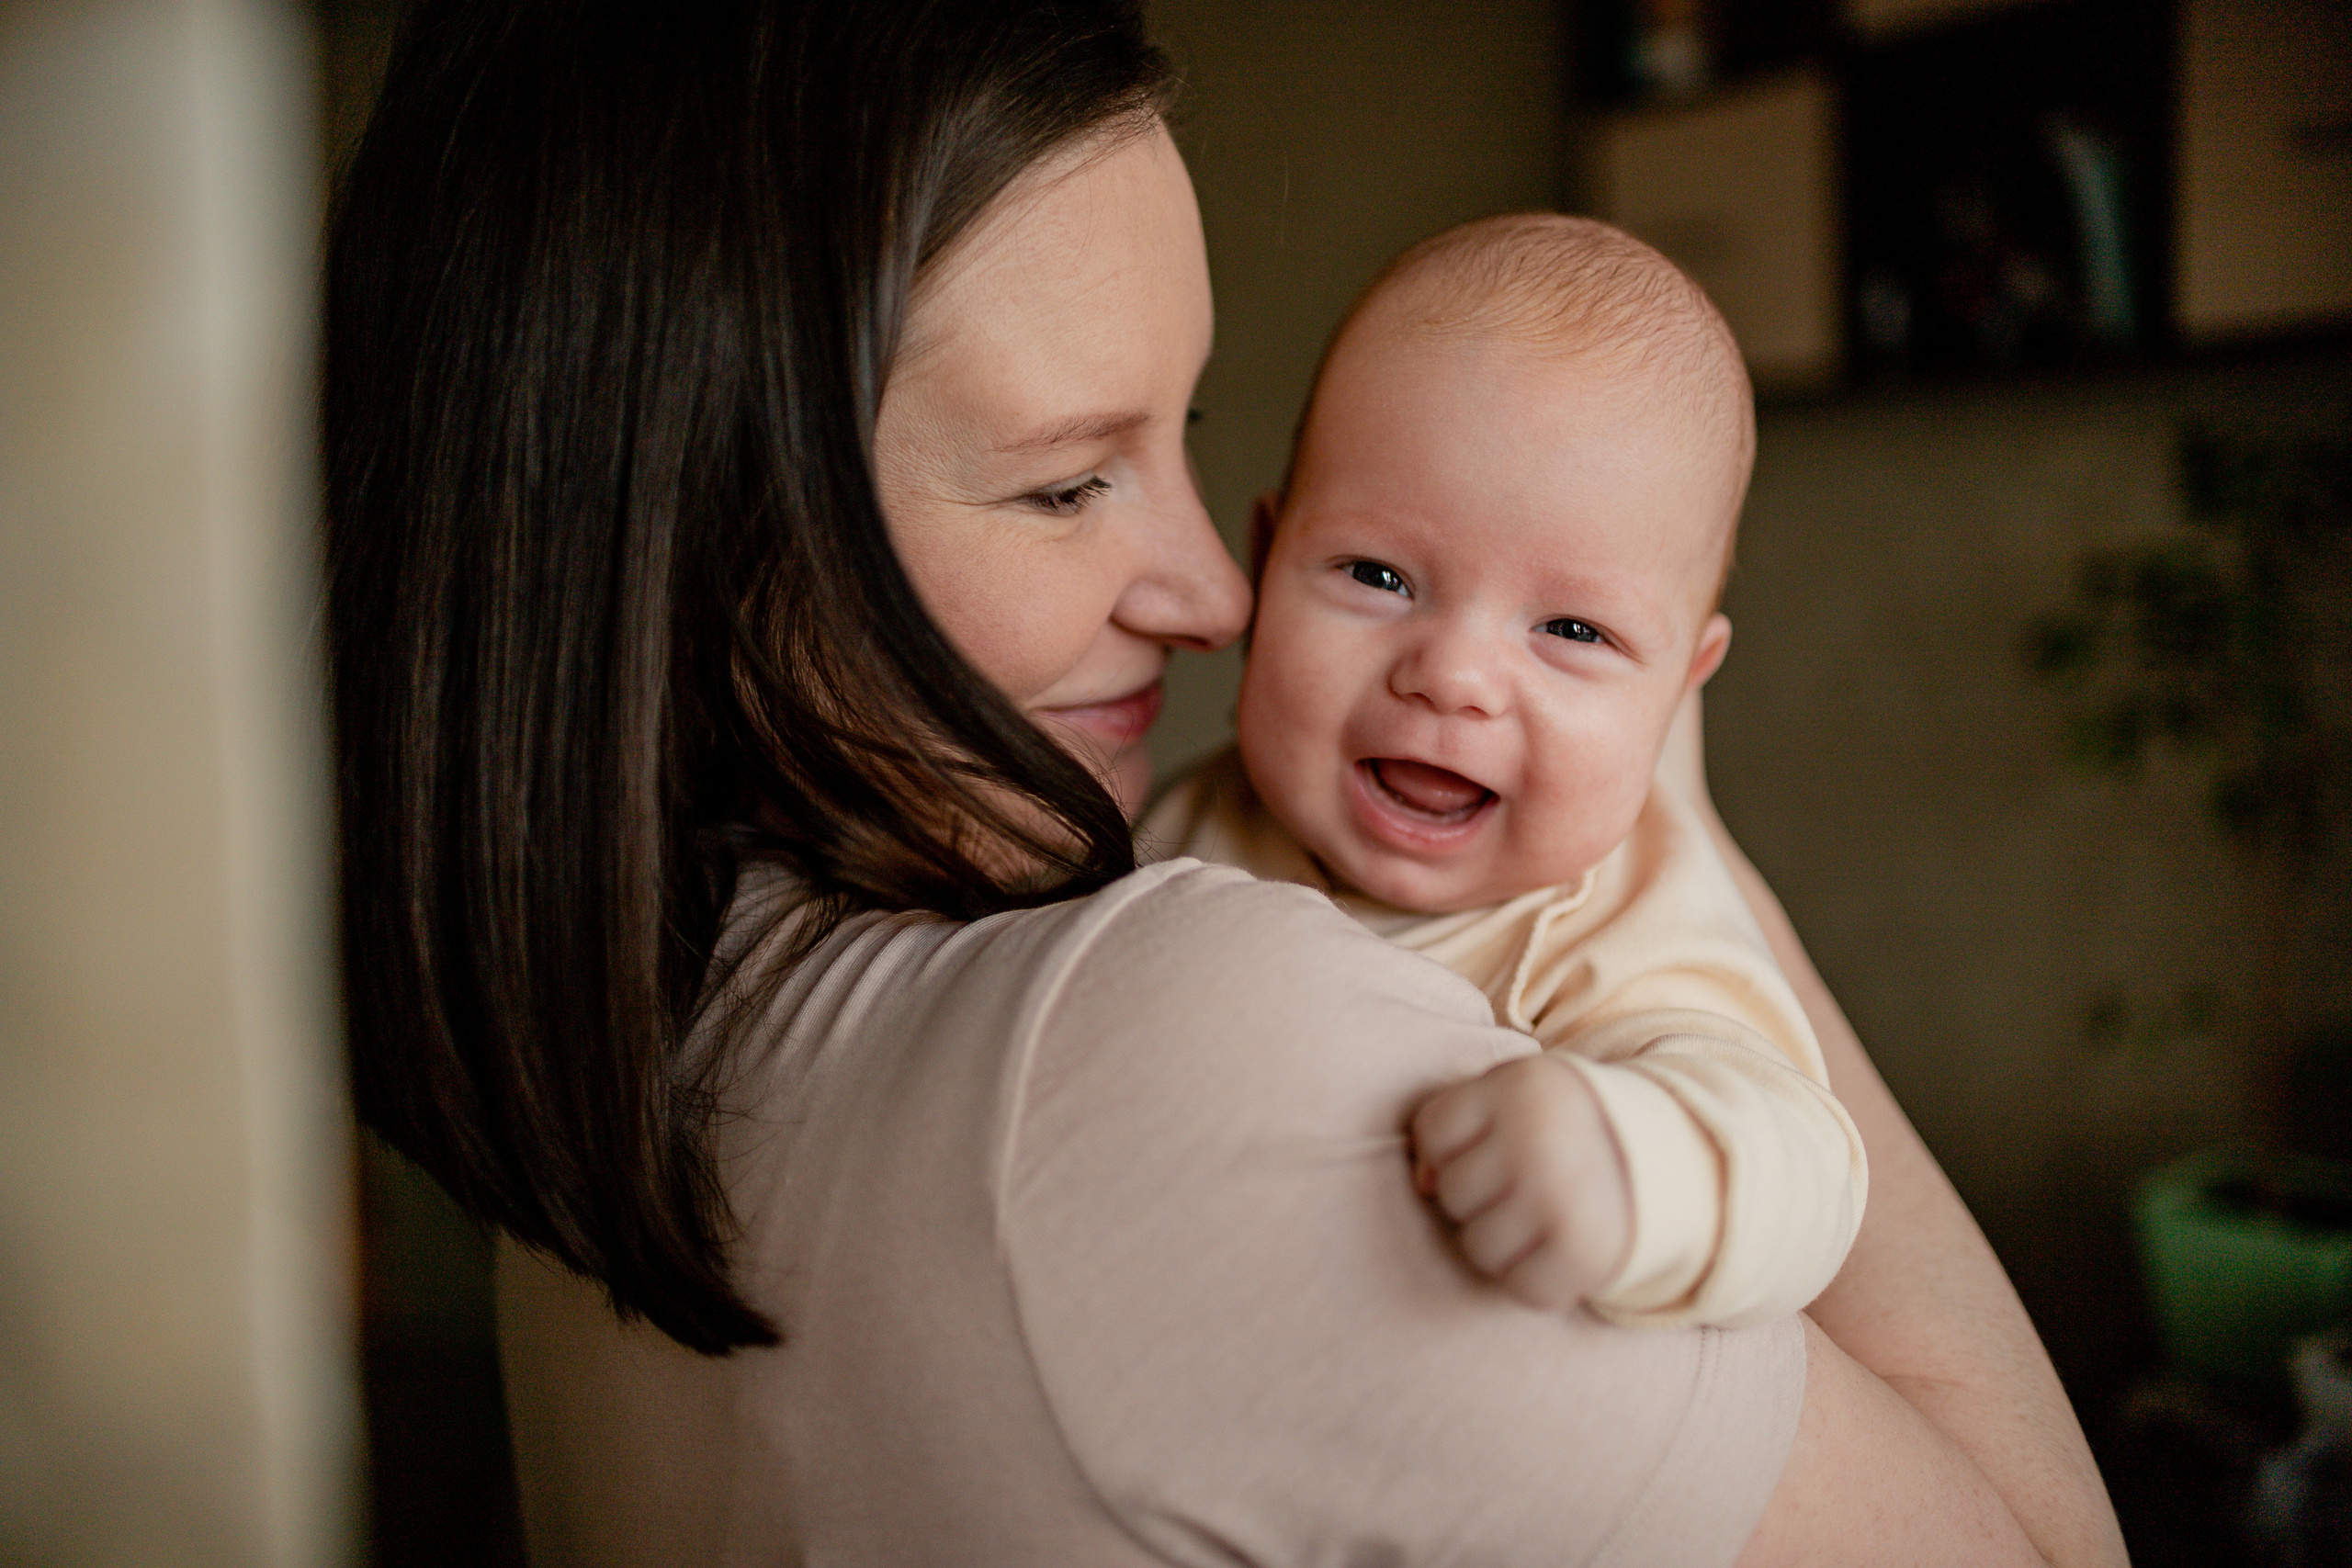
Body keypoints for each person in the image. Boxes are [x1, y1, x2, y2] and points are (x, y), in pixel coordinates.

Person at [324, 2, 2129, 1564]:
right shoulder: (1175, 1044)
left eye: (1173, 438)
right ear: (681, 525)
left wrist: (1668, 882)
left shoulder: (619, 1056)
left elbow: (1753, 1134)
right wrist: (1678, 797)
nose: (1208, 593)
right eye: (1060, 481)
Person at [1145, 214, 1868, 1331]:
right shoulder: (1181, 820)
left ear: (1680, 688)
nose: (1453, 676)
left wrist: (1627, 1162)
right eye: (1379, 574)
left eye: (1573, 630)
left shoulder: (1616, 925)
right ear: (1265, 561)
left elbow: (1804, 1163)